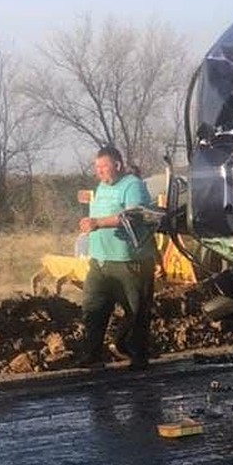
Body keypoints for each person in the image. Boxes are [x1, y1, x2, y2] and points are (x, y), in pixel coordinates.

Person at [76, 146, 156, 370]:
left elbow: (135, 215)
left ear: (118, 165)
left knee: (136, 310)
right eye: (97, 167)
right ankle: (92, 354)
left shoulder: (132, 186)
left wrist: (98, 222)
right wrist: (89, 225)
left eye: (104, 166)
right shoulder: (101, 187)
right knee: (93, 308)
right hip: (100, 261)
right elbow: (98, 217)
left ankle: (138, 355)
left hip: (130, 262)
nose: (99, 172)